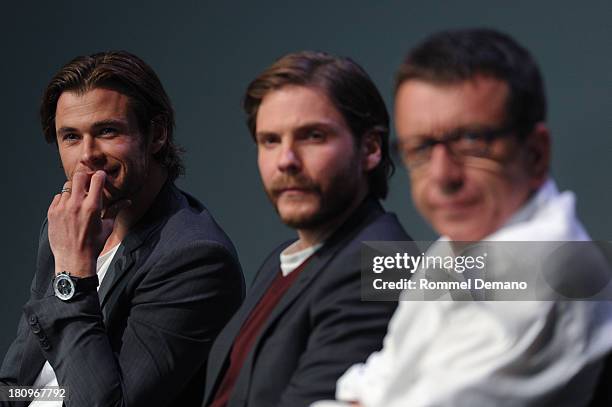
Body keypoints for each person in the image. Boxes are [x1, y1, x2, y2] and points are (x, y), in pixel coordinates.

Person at [314, 28, 612, 407]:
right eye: (420, 148)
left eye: (472, 140)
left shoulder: (550, 270)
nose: (442, 175)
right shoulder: (459, 245)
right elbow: (369, 384)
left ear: (536, 153)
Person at [0, 51, 245, 407]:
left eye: (107, 131)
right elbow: (15, 383)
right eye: (70, 136)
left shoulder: (196, 258)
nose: (88, 155)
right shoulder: (65, 224)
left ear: (157, 134)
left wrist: (72, 273)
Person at [203, 51, 412, 407]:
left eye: (312, 136)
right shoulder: (281, 260)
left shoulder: (379, 262)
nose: (286, 160)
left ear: (371, 148)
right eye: (270, 140)